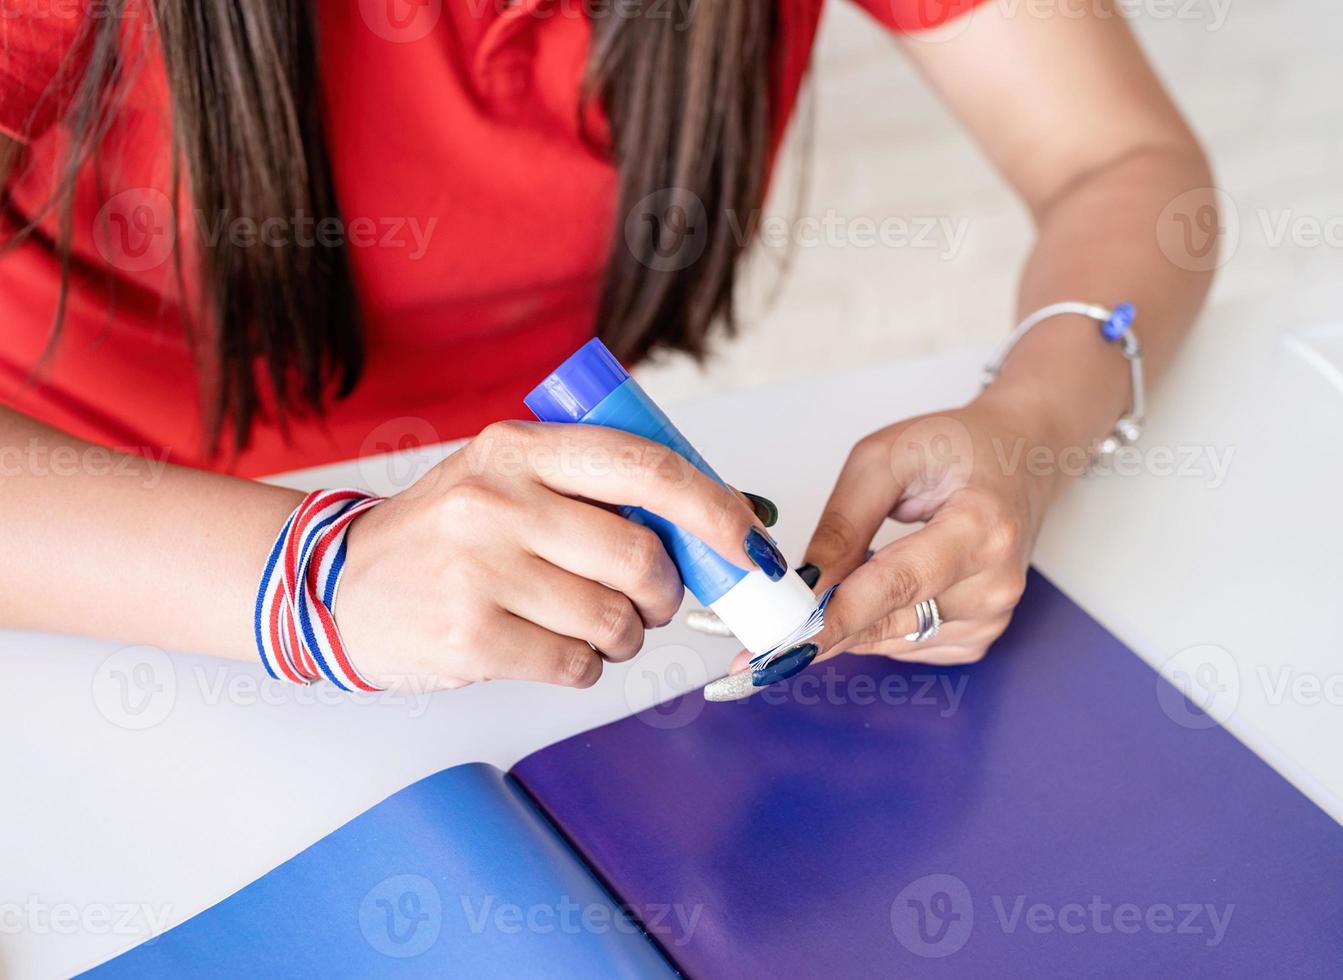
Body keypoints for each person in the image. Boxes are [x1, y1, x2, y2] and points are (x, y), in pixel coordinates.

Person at [0, 0, 1214, 692]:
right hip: (98, 560)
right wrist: (315, 583)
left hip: (509, 583)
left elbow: (1122, 167)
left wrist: (1032, 423)